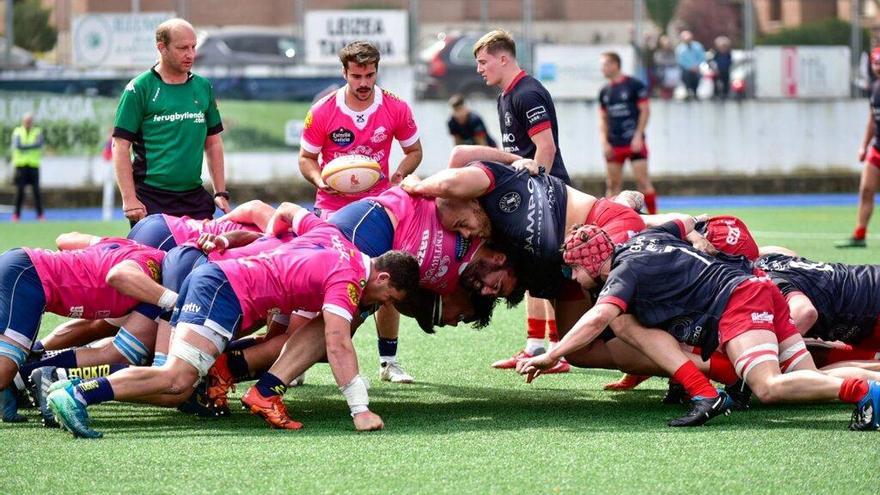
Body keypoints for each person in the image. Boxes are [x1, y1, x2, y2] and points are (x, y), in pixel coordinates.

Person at [47, 214, 420, 438]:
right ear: (383, 277)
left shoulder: (337, 239)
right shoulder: (350, 278)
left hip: (219, 282)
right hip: (222, 290)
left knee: (178, 388)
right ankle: (76, 392)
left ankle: (264, 390)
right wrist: (360, 410)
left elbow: (289, 210)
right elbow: (338, 344)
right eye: (388, 298)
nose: (383, 305)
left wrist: (273, 249)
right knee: (176, 379)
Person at [518, 221, 880, 430]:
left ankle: (859, 393)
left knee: (768, 387)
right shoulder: (647, 237)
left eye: (572, 269)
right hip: (758, 288)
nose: (574, 278)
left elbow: (598, 318)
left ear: (592, 262)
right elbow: (688, 222)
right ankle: (875, 383)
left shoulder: (623, 272)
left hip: (740, 300)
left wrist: (553, 354)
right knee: (805, 374)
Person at [298, 40, 423, 383]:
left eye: (369, 74)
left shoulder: (395, 107)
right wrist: (319, 179)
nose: (364, 82)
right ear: (344, 73)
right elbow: (306, 158)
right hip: (332, 211)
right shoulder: (323, 111)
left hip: (379, 211)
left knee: (387, 280)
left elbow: (414, 150)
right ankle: (298, 363)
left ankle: (389, 361)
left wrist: (400, 173)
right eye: (356, 76)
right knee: (316, 284)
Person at [473, 29, 571, 372]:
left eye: (483, 62)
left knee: (549, 271)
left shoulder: (528, 93)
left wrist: (537, 197)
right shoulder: (506, 96)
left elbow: (546, 148)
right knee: (529, 270)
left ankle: (557, 350)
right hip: (530, 195)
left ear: (504, 58)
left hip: (547, 195)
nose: (480, 69)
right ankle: (535, 345)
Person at [112, 18, 229, 227]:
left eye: (193, 47)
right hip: (151, 198)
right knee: (154, 259)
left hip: (194, 199)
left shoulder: (203, 87)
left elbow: (213, 143)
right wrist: (129, 199)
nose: (190, 54)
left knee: (202, 257)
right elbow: (120, 146)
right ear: (161, 47)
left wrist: (220, 191)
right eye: (182, 48)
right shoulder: (139, 88)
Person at [598, 51, 658, 213]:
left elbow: (645, 111)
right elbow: (602, 119)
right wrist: (604, 142)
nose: (601, 69)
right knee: (612, 184)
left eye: (604, 65)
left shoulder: (634, 85)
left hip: (634, 142)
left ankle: (657, 220)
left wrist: (638, 135)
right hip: (614, 143)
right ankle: (611, 220)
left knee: (643, 182)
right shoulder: (605, 92)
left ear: (614, 65)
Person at [838, 47, 880, 248]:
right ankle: (859, 234)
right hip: (877, 149)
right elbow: (872, 119)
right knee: (866, 190)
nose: (877, 66)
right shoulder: (874, 87)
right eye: (875, 63)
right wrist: (863, 146)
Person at [10, 112, 45, 222]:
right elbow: (18, 146)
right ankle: (16, 215)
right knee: (20, 191)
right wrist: (32, 146)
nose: (28, 123)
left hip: (33, 165)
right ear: (23, 121)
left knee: (36, 192)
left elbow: (39, 144)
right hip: (21, 165)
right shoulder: (17, 131)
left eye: (30, 121)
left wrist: (26, 147)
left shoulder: (37, 131)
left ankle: (40, 215)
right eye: (26, 121)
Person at [675, 30, 705, 100]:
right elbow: (680, 60)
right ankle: (688, 91)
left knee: (697, 77)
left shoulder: (698, 46)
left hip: (697, 68)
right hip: (686, 69)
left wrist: (696, 66)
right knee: (686, 76)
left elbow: (702, 57)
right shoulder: (680, 48)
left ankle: (695, 92)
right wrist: (690, 67)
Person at [653, 35, 679, 100]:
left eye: (668, 44)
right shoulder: (658, 53)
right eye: (665, 44)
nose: (667, 46)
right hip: (662, 71)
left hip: (672, 72)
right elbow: (659, 61)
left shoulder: (672, 53)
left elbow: (675, 61)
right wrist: (668, 63)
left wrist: (668, 63)